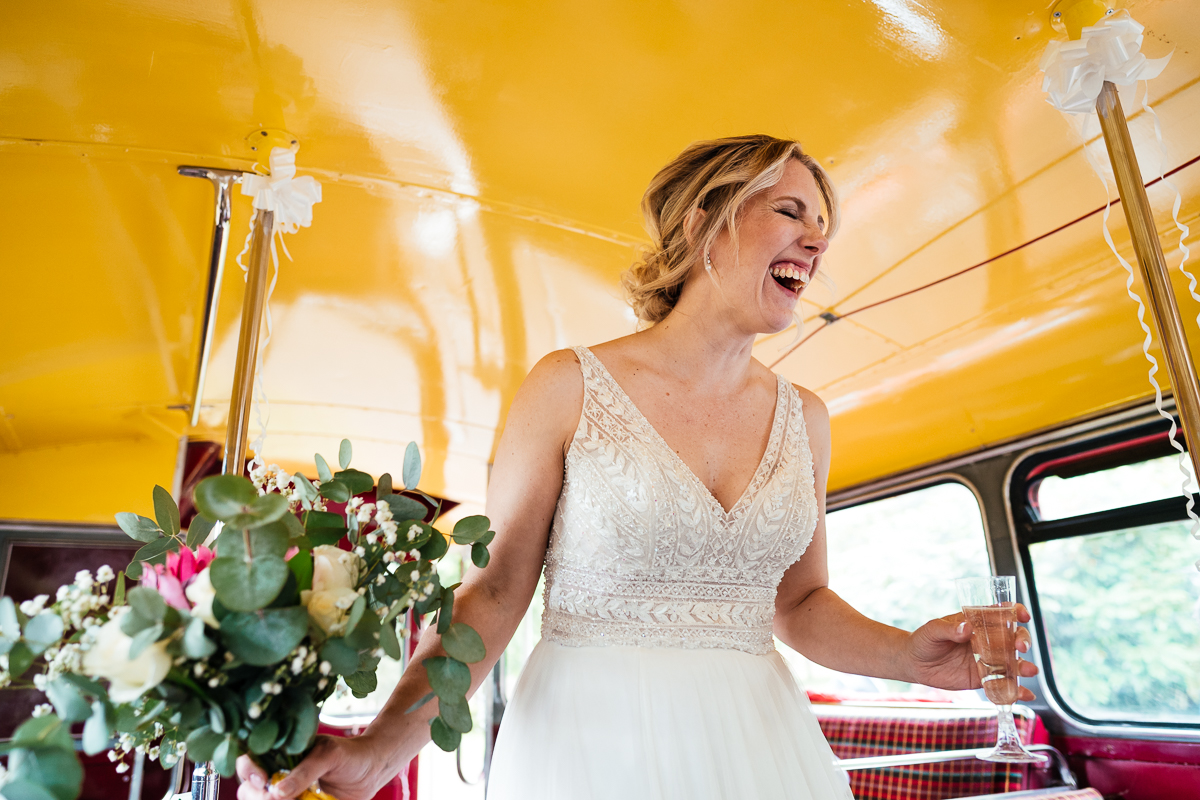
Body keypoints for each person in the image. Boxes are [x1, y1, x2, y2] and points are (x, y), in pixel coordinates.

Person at [238, 134, 1038, 800]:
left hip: (758, 742)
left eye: (822, 225)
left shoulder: (809, 418)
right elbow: (497, 591)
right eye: (789, 210)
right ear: (706, 225)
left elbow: (797, 602)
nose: (817, 240)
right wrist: (382, 750)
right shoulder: (568, 385)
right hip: (591, 744)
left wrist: (908, 656)